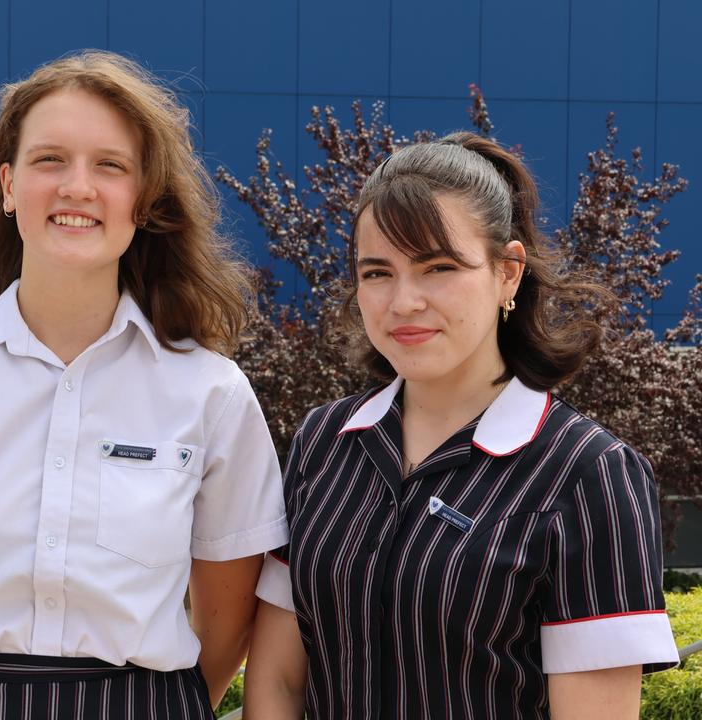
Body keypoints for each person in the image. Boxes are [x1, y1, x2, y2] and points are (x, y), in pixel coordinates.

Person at [0, 50, 286, 719]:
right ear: (9, 186)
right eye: (50, 161)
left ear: (145, 198)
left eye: (110, 165)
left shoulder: (210, 393)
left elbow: (224, 627)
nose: (78, 186)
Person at [243, 133, 681, 718]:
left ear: (508, 272)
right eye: (377, 272)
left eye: (439, 267)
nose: (404, 301)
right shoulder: (322, 444)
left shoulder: (589, 473)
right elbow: (277, 684)